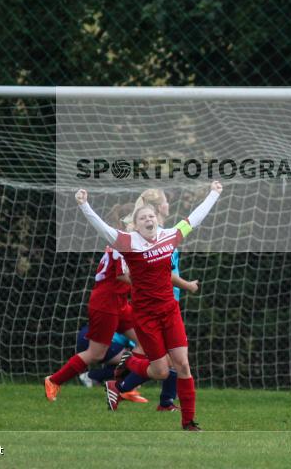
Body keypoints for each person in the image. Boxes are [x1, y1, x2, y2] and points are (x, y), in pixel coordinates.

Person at [77, 181, 222, 431]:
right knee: (161, 371)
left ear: (157, 219)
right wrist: (84, 205)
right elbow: (101, 228)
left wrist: (213, 194)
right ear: (136, 224)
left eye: (151, 216)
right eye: (142, 217)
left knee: (183, 365)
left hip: (170, 312)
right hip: (146, 317)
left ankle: (188, 422)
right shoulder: (128, 242)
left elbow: (195, 218)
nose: (148, 219)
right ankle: (127, 365)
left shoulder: (169, 236)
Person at [44, 202, 146, 403]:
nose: (147, 222)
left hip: (119, 303)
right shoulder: (122, 242)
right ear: (130, 223)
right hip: (106, 303)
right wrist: (149, 283)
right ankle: (54, 380)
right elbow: (122, 275)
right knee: (96, 353)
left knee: (146, 340)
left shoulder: (132, 242)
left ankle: (125, 386)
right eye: (140, 218)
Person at [116, 188, 199, 412]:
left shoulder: (166, 233)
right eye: (166, 201)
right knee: (167, 363)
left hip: (169, 300)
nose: (169, 205)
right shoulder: (146, 237)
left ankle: (162, 400)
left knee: (174, 361)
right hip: (156, 302)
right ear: (158, 207)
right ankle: (124, 386)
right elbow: (156, 273)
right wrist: (187, 285)